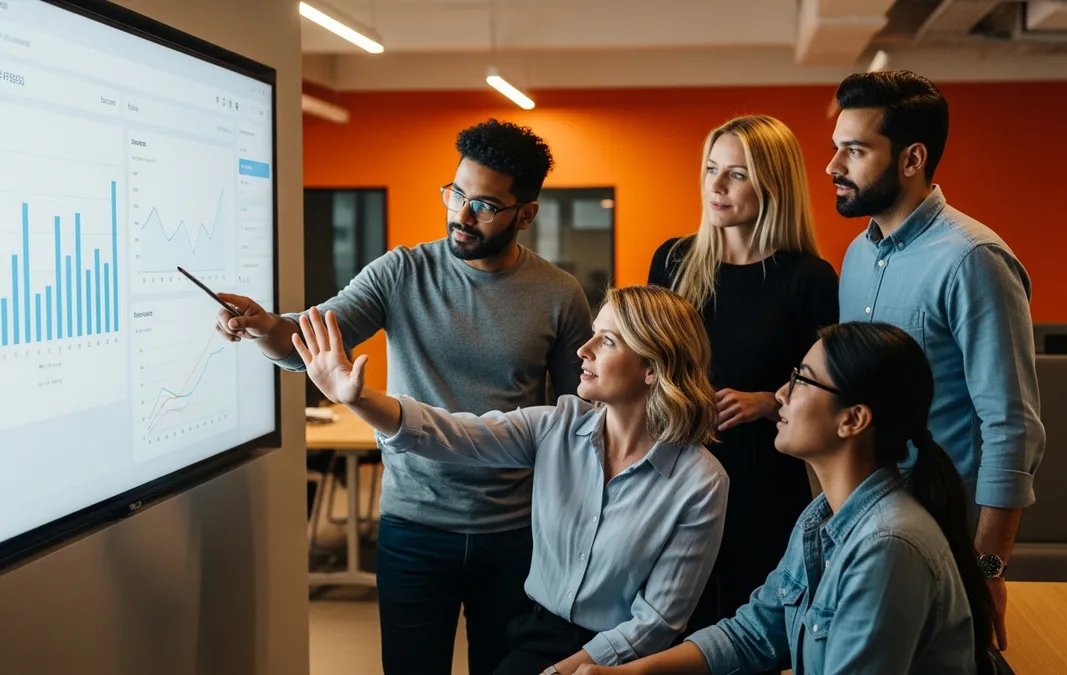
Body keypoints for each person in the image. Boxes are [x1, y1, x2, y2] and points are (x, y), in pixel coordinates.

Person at [213, 119, 595, 675]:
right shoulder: (402, 272)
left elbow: (578, 417)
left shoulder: (559, 294)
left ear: (526, 213)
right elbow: (315, 335)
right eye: (456, 193)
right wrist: (263, 325)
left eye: (485, 205)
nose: (461, 216)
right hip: (413, 528)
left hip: (515, 531)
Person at [292, 285, 730, 675]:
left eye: (608, 340)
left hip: (632, 658)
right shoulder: (555, 426)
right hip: (537, 634)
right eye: (594, 332)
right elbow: (453, 434)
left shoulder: (700, 481)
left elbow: (658, 620)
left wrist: (573, 669)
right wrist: (359, 399)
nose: (584, 349)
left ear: (652, 368)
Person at [574, 322, 996, 675]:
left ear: (852, 420)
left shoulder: (888, 546)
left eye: (801, 380)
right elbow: (754, 632)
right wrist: (624, 673)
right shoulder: (821, 516)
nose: (780, 395)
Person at [826, 70, 1046, 649]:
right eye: (836, 148)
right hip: (863, 526)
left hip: (943, 540)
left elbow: (1011, 427)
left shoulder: (972, 259)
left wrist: (988, 568)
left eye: (854, 149)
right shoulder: (854, 256)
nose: (833, 166)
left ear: (911, 158)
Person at [647, 114, 839, 661]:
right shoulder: (674, 260)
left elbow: (833, 385)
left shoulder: (808, 277)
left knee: (749, 638)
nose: (716, 185)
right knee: (673, 631)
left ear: (772, 184)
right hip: (676, 469)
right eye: (711, 169)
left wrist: (768, 399)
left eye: (737, 174)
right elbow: (650, 360)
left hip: (761, 480)